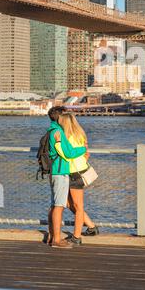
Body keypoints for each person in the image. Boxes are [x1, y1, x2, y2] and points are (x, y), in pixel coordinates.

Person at [47, 106, 87, 248]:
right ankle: (56, 241)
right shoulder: (58, 132)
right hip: (60, 171)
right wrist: (84, 149)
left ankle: (52, 236)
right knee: (59, 206)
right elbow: (68, 153)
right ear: (60, 117)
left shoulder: (52, 129)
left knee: (54, 205)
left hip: (55, 171)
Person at [58, 112, 99, 245]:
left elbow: (67, 154)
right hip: (79, 170)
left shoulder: (67, 138)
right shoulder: (80, 135)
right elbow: (87, 153)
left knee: (77, 206)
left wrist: (58, 142)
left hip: (74, 173)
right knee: (69, 203)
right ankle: (91, 227)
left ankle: (76, 237)